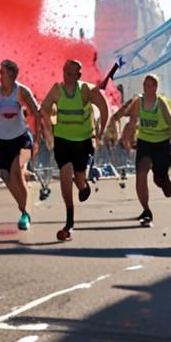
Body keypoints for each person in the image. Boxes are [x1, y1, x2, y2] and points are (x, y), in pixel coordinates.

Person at [39, 59, 112, 242]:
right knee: (65, 172)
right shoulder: (57, 89)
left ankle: (83, 185)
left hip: (83, 141)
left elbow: (104, 108)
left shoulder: (87, 90)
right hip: (63, 140)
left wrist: (101, 131)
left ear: (79, 75)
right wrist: (48, 130)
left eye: (73, 74)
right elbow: (44, 109)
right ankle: (69, 219)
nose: (69, 77)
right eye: (66, 73)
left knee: (79, 178)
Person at [107, 74, 171, 227]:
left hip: (162, 143)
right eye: (145, 85)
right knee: (141, 173)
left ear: (156, 87)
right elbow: (128, 117)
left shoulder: (161, 102)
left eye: (150, 85)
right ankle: (146, 210)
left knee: (159, 178)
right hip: (145, 142)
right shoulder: (139, 101)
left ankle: (164, 181)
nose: (146, 88)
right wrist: (124, 129)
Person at [0, 59, 41, 231]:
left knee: (17, 172)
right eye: (0, 72)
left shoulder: (21, 91)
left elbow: (36, 112)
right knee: (6, 177)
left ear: (12, 75)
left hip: (22, 138)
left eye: (3, 72)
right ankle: (24, 208)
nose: (0, 76)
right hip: (2, 140)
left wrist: (38, 136)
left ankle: (25, 214)